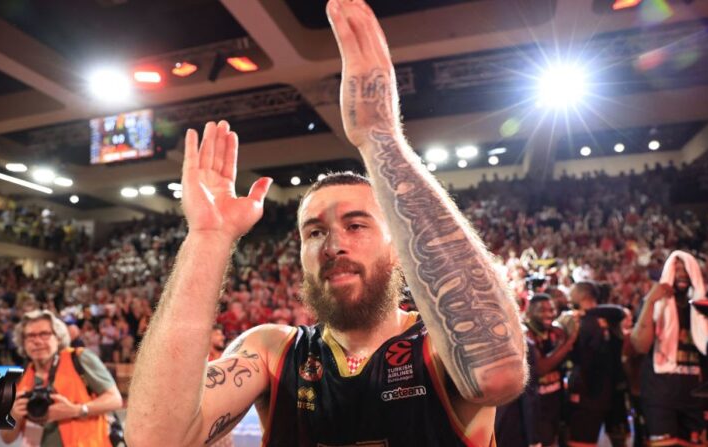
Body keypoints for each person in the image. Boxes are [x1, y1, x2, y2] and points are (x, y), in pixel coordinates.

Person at [126, 0, 527, 445]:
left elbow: (499, 375)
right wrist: (208, 236)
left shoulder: (436, 348)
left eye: (357, 225)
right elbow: (155, 438)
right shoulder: (272, 351)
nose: (333, 243)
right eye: (314, 231)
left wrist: (381, 142)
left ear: (399, 247)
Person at [0, 310, 123, 447]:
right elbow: (6, 438)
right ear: (23, 342)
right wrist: (15, 415)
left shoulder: (79, 358)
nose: (37, 341)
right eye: (30, 336)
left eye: (44, 334)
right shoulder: (19, 380)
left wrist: (77, 410)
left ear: (58, 338)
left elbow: (115, 399)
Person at [631, 251, 708, 446]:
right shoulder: (654, 304)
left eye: (686, 269)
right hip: (660, 392)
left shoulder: (704, 309)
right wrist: (650, 301)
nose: (682, 274)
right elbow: (640, 346)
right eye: (676, 270)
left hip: (694, 393)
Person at [566, 281, 628, 447]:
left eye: (572, 295)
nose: (569, 299)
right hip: (611, 389)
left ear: (583, 296)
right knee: (618, 439)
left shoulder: (582, 320)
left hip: (588, 391)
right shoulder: (609, 317)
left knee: (582, 441)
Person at [524, 294, 575, 447]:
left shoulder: (557, 332)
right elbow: (541, 367)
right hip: (536, 404)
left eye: (551, 309)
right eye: (542, 310)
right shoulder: (526, 334)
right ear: (530, 312)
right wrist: (567, 343)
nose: (549, 314)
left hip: (557, 399)